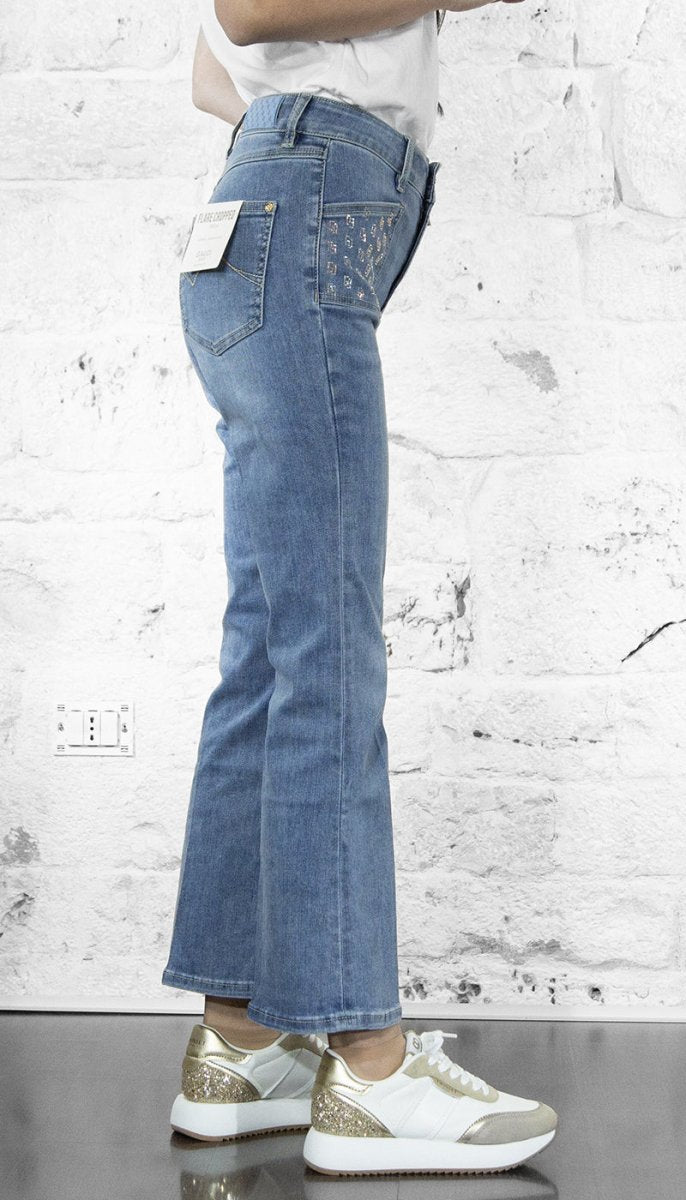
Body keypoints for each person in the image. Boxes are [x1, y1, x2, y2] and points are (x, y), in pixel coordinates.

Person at [162, 0, 558, 1176]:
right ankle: (370, 1071)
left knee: (272, 647)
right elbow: (248, 12)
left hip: (263, 213)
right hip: (303, 213)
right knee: (325, 650)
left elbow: (212, 73)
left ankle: (240, 1048)